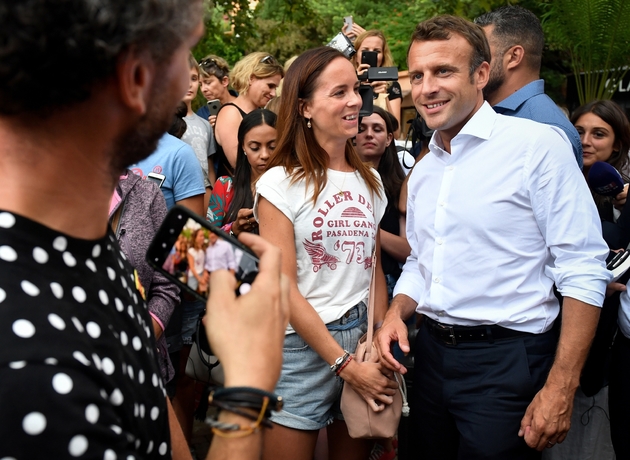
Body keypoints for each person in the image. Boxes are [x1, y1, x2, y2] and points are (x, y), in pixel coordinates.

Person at [0, 0, 290, 458]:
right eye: (186, 54)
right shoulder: (35, 371)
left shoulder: (85, 233)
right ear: (137, 79)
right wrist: (248, 386)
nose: (189, 85)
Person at [374, 15, 611, 460]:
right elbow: (422, 264)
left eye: (443, 71)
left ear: (482, 74)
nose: (427, 88)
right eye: (419, 75)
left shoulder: (537, 146)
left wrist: (561, 385)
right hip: (429, 360)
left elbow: (582, 269)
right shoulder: (424, 169)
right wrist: (395, 313)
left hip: (508, 364)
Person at [255, 46, 398, 460]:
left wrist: (376, 337)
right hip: (302, 347)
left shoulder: (370, 180)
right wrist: (344, 365)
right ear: (304, 108)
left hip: (360, 342)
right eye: (339, 92)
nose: (355, 100)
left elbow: (370, 268)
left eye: (356, 88)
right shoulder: (281, 183)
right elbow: (282, 287)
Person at [474, 5, 584, 168]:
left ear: (514, 57)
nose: (473, 63)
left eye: (481, 53)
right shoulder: (484, 114)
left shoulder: (548, 129)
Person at [109, 171, 180, 383]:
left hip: (139, 370)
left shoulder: (148, 194)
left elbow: (167, 284)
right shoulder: (51, 196)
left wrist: (140, 343)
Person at [355, 106, 410, 299]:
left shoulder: (400, 188)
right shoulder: (334, 183)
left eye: (377, 129)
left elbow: (408, 251)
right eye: (361, 129)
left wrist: (366, 228)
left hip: (389, 284)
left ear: (388, 139)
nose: (369, 134)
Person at [207, 109, 277, 236]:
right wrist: (234, 228)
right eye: (255, 148)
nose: (265, 155)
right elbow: (206, 241)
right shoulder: (225, 186)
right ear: (243, 147)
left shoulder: (294, 186)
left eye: (272, 146)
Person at [213, 52, 284, 178]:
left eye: (276, 88)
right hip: (242, 193)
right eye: (270, 86)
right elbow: (239, 164)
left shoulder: (263, 113)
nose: (273, 93)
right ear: (251, 78)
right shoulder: (230, 113)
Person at [572, 100, 630, 249]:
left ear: (617, 144)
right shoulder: (553, 180)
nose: (585, 141)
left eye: (598, 134)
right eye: (578, 132)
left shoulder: (622, 192)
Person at [181, 53, 217, 211]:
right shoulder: (162, 123)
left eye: (194, 79)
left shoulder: (205, 124)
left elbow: (209, 169)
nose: (189, 84)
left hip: (204, 199)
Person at [353, 30, 403, 136]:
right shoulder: (347, 83)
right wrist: (356, 83)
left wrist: (384, 96)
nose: (371, 54)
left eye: (377, 51)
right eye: (365, 50)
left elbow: (396, 133)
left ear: (383, 56)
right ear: (356, 55)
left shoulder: (391, 85)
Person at [196, 54, 237, 126]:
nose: (203, 89)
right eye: (200, 84)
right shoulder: (202, 115)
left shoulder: (245, 104)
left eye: (208, 83)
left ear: (224, 81)